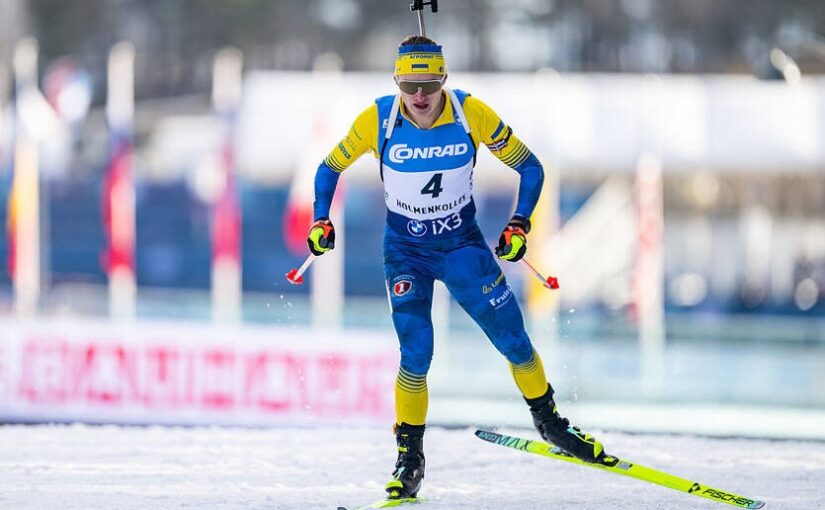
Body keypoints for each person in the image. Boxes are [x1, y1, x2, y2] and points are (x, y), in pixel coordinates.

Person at [307, 35, 607, 500]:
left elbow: (531, 168)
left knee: (514, 339)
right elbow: (328, 168)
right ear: (397, 82)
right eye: (410, 85)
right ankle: (410, 457)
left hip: (462, 247)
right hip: (406, 251)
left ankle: (549, 423)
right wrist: (321, 218)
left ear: (444, 79)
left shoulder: (471, 113)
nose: (420, 97)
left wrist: (519, 224)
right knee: (416, 354)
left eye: (429, 84)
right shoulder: (378, 119)